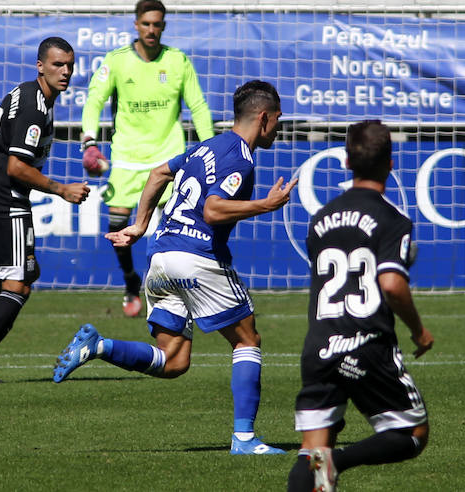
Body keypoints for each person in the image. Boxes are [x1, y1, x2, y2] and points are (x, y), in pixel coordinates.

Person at [52, 80, 298, 456]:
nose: (279, 126)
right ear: (263, 117)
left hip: (161, 256)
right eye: (278, 118)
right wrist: (266, 204)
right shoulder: (239, 156)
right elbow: (213, 210)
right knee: (247, 340)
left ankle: (98, 346)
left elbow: (156, 174)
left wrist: (139, 225)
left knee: (174, 360)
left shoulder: (204, 148)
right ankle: (245, 439)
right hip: (195, 256)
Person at [287, 120, 434, 492]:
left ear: (347, 164)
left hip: (320, 344)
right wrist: (419, 330)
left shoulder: (319, 220)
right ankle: (340, 462)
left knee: (311, 451)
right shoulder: (392, 218)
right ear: (391, 163)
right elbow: (391, 284)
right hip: (366, 345)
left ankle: (326, 462)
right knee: (412, 432)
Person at [0, 36, 92, 384]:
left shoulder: (26, 92)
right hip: (2, 198)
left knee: (26, 270)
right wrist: (61, 190)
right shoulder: (35, 106)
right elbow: (16, 167)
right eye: (57, 65)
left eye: (70, 65)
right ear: (40, 66)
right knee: (19, 283)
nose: (65, 71)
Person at [81, 0, 216, 317]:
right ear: (136, 25)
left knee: (177, 227)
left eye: (157, 24)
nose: (151, 30)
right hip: (127, 158)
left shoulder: (178, 61)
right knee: (118, 224)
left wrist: (211, 149)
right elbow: (93, 101)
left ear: (163, 26)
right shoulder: (116, 61)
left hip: (168, 158)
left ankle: (176, 285)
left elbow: (198, 107)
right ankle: (130, 279)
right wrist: (89, 141)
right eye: (146, 24)